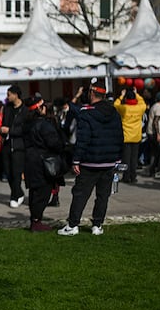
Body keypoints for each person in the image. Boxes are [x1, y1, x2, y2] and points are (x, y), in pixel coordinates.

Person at [58, 81, 123, 237]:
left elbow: (83, 139)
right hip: (108, 161)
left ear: (92, 93)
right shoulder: (114, 112)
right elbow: (119, 136)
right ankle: (97, 225)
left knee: (80, 194)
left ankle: (73, 224)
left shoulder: (87, 113)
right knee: (102, 196)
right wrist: (117, 158)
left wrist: (76, 160)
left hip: (90, 161)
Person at [22, 96, 64, 232]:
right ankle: (36, 221)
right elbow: (55, 143)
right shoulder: (44, 125)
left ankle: (35, 219)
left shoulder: (27, 124)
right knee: (43, 192)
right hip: (42, 163)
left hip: (30, 161)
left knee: (34, 192)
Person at [0, 85, 27, 207]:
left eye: (9, 94)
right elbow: (4, 123)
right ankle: (18, 192)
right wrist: (2, 131)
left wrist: (10, 130)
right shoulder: (7, 108)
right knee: (7, 171)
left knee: (16, 172)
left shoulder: (25, 110)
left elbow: (25, 129)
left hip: (19, 145)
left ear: (16, 95)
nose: (8, 97)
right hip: (6, 143)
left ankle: (15, 196)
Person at [114, 87, 147, 183]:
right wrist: (136, 93)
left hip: (126, 136)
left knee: (126, 158)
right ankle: (133, 176)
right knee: (134, 158)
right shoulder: (140, 108)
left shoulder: (124, 108)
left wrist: (121, 95)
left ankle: (126, 177)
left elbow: (115, 104)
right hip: (136, 136)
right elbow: (142, 102)